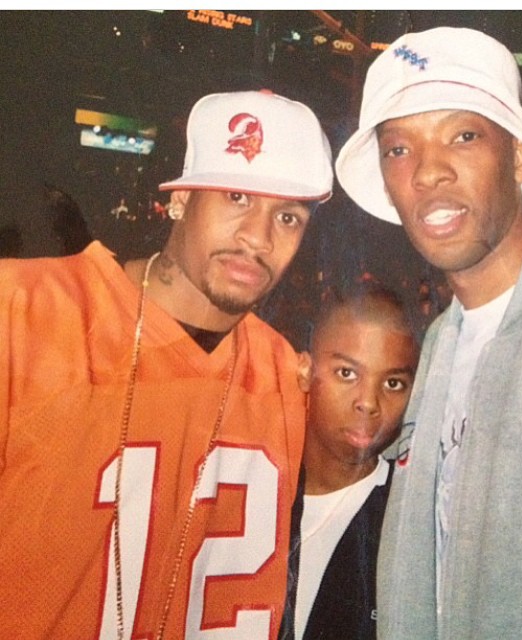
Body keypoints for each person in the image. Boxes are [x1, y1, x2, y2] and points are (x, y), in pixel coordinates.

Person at [336, 26, 522, 640]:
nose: (428, 171)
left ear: (519, 158)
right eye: (400, 149)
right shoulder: (440, 345)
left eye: (463, 136)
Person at [0, 89, 333, 640]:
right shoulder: (24, 312)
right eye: (236, 195)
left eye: (289, 216)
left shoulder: (287, 375)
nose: (258, 237)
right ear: (179, 200)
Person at [278, 284, 418, 640]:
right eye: (347, 373)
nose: (368, 402)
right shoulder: (253, 489)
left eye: (392, 382)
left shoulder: (407, 520)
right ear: (306, 371)